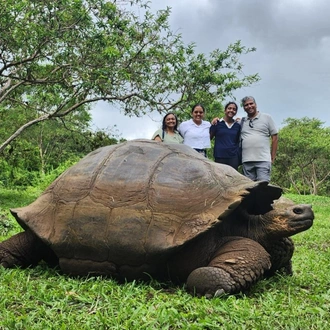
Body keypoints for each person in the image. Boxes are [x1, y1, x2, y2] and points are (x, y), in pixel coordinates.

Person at [240, 96, 278, 182]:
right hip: (247, 161)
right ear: (244, 108)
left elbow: (275, 137)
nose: (249, 106)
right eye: (246, 105)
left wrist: (272, 157)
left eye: (251, 103)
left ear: (255, 104)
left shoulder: (267, 118)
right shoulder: (242, 121)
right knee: (249, 189)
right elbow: (229, 122)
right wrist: (216, 120)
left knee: (263, 187)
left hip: (263, 160)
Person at [210, 102, 241, 170]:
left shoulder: (238, 126)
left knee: (233, 178)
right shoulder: (217, 123)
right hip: (219, 156)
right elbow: (209, 137)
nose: (231, 110)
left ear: (235, 112)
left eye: (234, 109)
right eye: (229, 108)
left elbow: (239, 141)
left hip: (233, 157)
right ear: (225, 110)